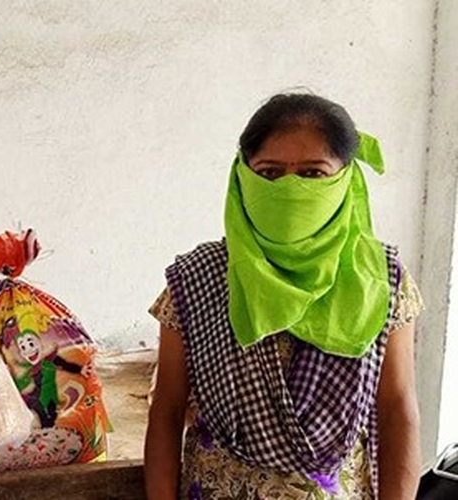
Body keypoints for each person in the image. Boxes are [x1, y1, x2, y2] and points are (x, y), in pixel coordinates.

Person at [144, 93, 422, 499]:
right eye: (270, 174)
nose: (290, 189)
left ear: (345, 178)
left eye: (313, 174)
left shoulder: (382, 281)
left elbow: (397, 409)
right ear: (243, 176)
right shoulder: (198, 279)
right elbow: (166, 407)